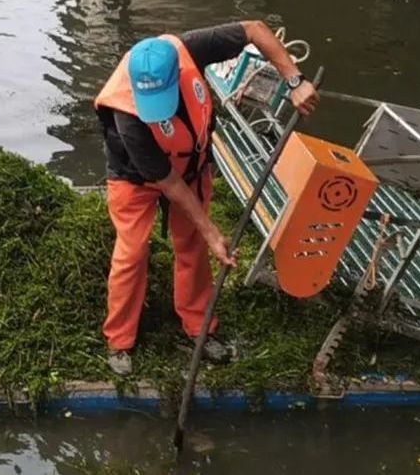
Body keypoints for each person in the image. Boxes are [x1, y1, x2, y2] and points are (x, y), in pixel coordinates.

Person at [93, 21, 320, 375]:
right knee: (132, 251)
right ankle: (119, 341)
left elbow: (256, 30)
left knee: (193, 247)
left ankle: (199, 328)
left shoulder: (191, 48)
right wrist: (213, 230)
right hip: (136, 176)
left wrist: (295, 79)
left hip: (191, 165)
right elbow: (167, 182)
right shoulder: (129, 119)